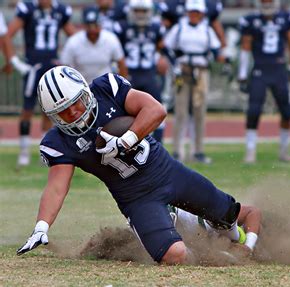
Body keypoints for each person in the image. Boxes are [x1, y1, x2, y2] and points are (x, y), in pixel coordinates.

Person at [16, 66, 242, 265]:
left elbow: (156, 110)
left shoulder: (107, 88)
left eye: (76, 103)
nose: (74, 113)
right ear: (52, 117)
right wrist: (41, 227)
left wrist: (126, 140)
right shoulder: (58, 142)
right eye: (63, 112)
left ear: (85, 92)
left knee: (228, 213)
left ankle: (198, 222)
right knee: (175, 255)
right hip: (138, 199)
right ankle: (204, 251)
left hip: (168, 172)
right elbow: (56, 187)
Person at [5, 0, 75, 167]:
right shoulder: (28, 8)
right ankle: (23, 151)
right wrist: (14, 60)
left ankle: (46, 151)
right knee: (27, 109)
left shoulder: (61, 10)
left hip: (51, 66)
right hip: (33, 66)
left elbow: (75, 37)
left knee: (50, 110)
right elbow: (8, 34)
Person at [238, 0, 290, 163]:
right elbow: (245, 47)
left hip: (279, 69)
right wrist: (242, 74)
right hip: (260, 69)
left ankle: (284, 151)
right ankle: (250, 151)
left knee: (286, 111)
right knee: (253, 111)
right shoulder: (251, 20)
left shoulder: (285, 17)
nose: (267, 3)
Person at [164, 0, 223, 163]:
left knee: (199, 112)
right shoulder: (179, 28)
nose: (194, 15)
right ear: (187, 12)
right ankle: (177, 151)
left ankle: (198, 151)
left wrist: (220, 59)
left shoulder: (207, 30)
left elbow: (216, 49)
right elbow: (167, 47)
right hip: (182, 71)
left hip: (201, 72)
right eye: (192, 12)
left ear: (202, 14)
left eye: (197, 12)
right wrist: (174, 63)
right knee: (180, 111)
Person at [114, 0, 167, 143]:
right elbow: (116, 52)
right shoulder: (122, 27)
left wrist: (162, 58)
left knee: (158, 109)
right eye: (137, 11)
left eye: (143, 11)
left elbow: (163, 49)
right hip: (129, 75)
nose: (140, 15)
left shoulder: (156, 28)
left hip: (149, 74)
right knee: (124, 112)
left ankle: (158, 145)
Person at [60, 7, 127, 84]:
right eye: (89, 26)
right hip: (81, 86)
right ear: (84, 26)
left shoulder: (110, 39)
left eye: (95, 26)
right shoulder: (74, 41)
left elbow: (121, 63)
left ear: (100, 25)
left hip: (106, 87)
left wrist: (123, 88)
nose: (92, 30)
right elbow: (64, 67)